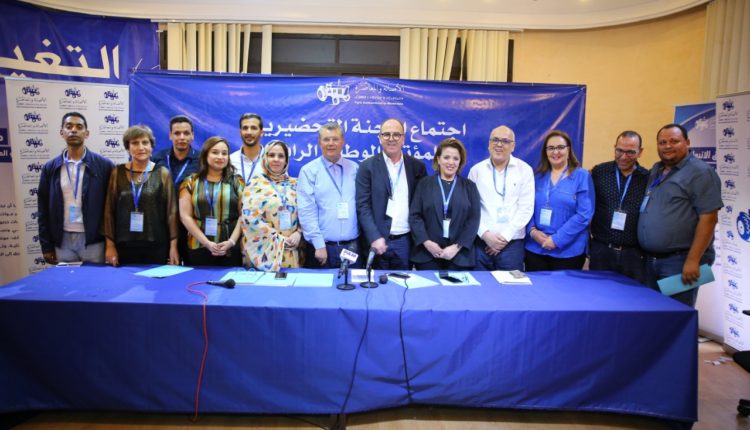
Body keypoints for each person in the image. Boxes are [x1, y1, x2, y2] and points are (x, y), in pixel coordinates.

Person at [637, 123, 722, 307]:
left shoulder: (701, 172)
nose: (667, 146)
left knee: (676, 315)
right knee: (652, 314)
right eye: (662, 142)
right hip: (651, 260)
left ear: (687, 142)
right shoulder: (657, 170)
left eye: (674, 141)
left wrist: (693, 260)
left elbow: (709, 219)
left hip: (680, 263)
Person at [37, 112, 114, 264]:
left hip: (94, 241)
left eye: (79, 127)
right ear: (62, 132)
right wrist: (46, 246)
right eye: (69, 126)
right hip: (62, 240)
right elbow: (43, 209)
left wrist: (111, 244)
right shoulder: (50, 168)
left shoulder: (104, 166)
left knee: (94, 280)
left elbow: (112, 208)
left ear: (87, 133)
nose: (73, 130)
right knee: (66, 280)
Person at [356, 118, 427, 269]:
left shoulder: (417, 167)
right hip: (377, 241)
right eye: (386, 134)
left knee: (403, 283)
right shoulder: (367, 167)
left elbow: (422, 206)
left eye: (396, 134)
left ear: (403, 138)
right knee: (375, 283)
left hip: (406, 241)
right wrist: (374, 237)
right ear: (380, 138)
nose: (391, 138)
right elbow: (363, 206)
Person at [104, 125, 179, 266]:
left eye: (145, 142)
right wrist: (110, 245)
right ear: (128, 147)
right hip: (124, 245)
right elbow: (109, 211)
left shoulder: (162, 173)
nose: (141, 147)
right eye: (135, 143)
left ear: (151, 146)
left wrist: (173, 246)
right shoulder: (117, 172)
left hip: (156, 245)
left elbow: (171, 212)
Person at [525, 130, 594, 271]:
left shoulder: (582, 176)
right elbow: (525, 206)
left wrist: (556, 240)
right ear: (545, 152)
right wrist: (532, 231)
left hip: (568, 251)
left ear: (569, 150)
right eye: (551, 148)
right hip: (535, 248)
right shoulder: (537, 177)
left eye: (560, 147)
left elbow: (584, 215)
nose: (555, 152)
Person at [467, 125, 534, 271]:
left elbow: (526, 208)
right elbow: (470, 208)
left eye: (505, 141)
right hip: (481, 243)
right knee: (480, 285)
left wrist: (503, 238)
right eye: (495, 140)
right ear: (489, 144)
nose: (499, 144)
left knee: (510, 285)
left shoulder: (525, 170)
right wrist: (486, 235)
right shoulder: (476, 171)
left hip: (512, 245)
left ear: (513, 146)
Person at [409, 138, 480, 270]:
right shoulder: (424, 184)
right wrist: (427, 243)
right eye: (446, 157)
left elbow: (474, 220)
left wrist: (457, 247)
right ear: (438, 159)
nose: (451, 162)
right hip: (427, 255)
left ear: (460, 162)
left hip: (460, 256)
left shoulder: (469, 187)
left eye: (455, 158)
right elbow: (415, 216)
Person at [297, 122, 361, 268]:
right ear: (320, 142)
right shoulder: (309, 171)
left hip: (353, 248)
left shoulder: (355, 168)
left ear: (343, 141)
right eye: (326, 139)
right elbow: (306, 211)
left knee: (353, 283)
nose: (331, 143)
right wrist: (318, 244)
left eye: (335, 139)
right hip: (322, 249)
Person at [589, 130, 649, 283]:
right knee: (598, 293)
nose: (623, 157)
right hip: (601, 251)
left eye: (630, 152)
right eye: (619, 151)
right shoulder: (599, 172)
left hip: (633, 255)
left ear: (640, 152)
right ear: (614, 147)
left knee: (630, 296)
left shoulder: (647, 178)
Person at [178, 137, 244, 267]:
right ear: (205, 155)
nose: (220, 157)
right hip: (198, 246)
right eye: (215, 152)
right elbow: (185, 216)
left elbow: (244, 215)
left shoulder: (237, 181)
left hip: (230, 247)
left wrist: (231, 242)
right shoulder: (190, 182)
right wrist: (206, 243)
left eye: (224, 153)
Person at [240, 140, 303, 270]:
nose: (276, 159)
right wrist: (278, 239)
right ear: (265, 158)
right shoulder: (255, 184)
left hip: (293, 249)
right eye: (271, 155)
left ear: (286, 160)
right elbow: (249, 219)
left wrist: (299, 233)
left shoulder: (296, 184)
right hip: (265, 253)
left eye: (281, 156)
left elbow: (307, 212)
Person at [152, 115, 199, 262]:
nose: (182, 137)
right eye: (177, 133)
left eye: (186, 133)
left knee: (192, 268)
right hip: (162, 225)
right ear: (170, 135)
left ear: (192, 135)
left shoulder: (202, 160)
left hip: (190, 225)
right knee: (163, 268)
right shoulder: (157, 159)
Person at [230, 113, 265, 184]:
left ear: (261, 132)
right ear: (240, 132)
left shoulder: (272, 161)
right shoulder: (230, 161)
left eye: (253, 128)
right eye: (245, 128)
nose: (249, 132)